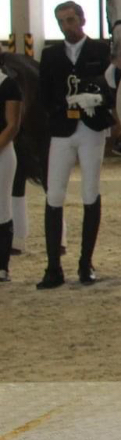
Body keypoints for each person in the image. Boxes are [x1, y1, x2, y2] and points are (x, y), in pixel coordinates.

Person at [37, 1, 115, 288]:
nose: (67, 26)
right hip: (62, 130)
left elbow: (112, 87)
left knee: (89, 191)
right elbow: (44, 94)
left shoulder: (101, 51)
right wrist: (61, 106)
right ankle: (53, 267)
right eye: (62, 22)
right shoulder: (50, 55)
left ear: (81, 19)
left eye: (71, 20)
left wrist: (99, 100)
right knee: (54, 193)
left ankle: (86, 263)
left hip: (91, 129)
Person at [0, 57, 24, 281]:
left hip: (2, 152)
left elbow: (12, 125)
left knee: (1, 208)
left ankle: (2, 266)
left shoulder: (8, 85)